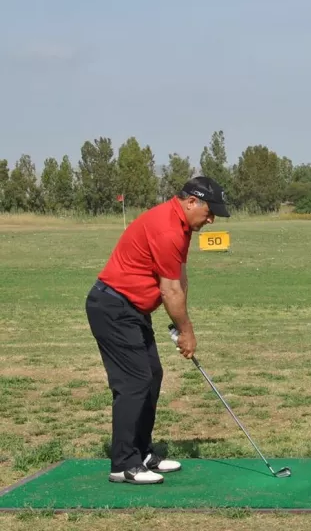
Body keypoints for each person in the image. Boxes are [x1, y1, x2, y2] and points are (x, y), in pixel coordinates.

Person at [85, 176, 230, 484]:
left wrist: (180, 324)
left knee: (151, 375)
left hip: (132, 309)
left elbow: (179, 277)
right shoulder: (167, 228)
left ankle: (141, 452)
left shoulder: (182, 226)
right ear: (192, 202)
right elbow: (170, 291)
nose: (212, 219)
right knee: (134, 381)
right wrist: (187, 331)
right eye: (209, 211)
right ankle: (123, 464)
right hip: (113, 308)